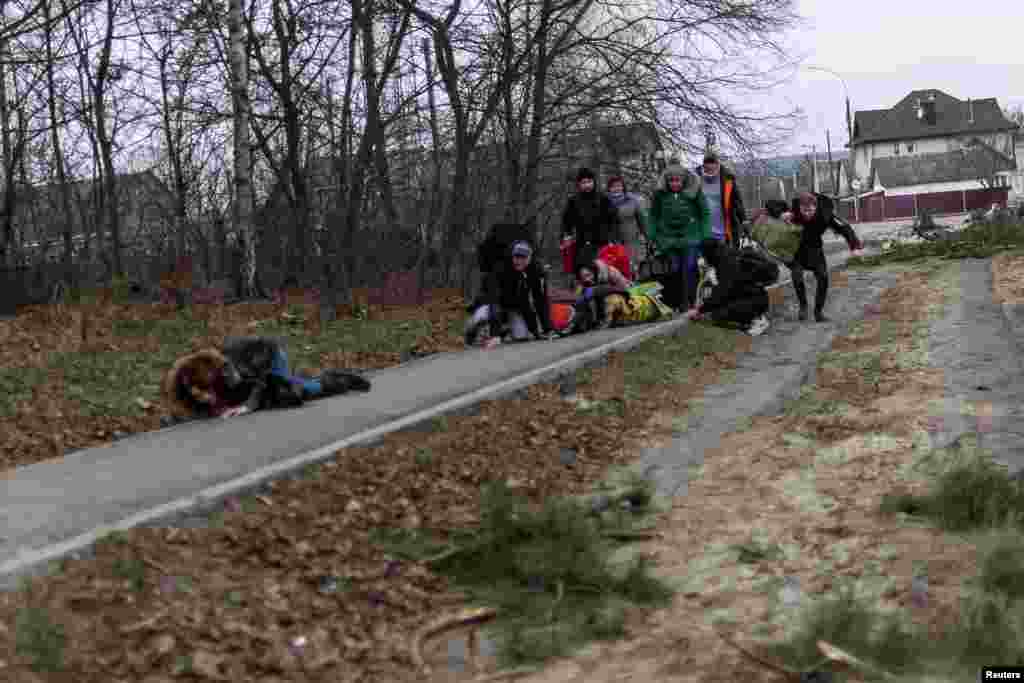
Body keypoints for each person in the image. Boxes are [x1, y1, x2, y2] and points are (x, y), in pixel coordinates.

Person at [781, 192, 863, 323]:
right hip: (796, 249)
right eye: (804, 211)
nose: (807, 214)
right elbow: (770, 209)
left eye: (810, 210)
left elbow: (844, 227)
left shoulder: (825, 214)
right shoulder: (793, 213)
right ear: (799, 208)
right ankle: (803, 306)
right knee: (797, 275)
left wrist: (855, 246)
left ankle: (818, 312)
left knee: (823, 277)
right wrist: (781, 215)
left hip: (815, 249)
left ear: (816, 207)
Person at [647, 162, 711, 311]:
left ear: (683, 180)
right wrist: (652, 235)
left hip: (691, 236)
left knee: (689, 267)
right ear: (667, 181)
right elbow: (653, 215)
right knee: (674, 269)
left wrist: (705, 235)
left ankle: (691, 300)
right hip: (668, 238)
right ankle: (676, 302)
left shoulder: (694, 191)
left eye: (677, 181)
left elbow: (705, 213)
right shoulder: (660, 194)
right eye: (671, 181)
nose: (674, 184)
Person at [464, 240, 554, 345]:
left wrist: (546, 329)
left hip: (514, 307)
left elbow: (540, 300)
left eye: (523, 258)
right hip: (491, 303)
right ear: (512, 256)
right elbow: (494, 299)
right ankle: (474, 328)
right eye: (516, 257)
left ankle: (504, 329)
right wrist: (495, 334)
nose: (519, 261)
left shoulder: (536, 270)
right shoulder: (500, 268)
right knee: (481, 317)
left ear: (530, 258)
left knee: (521, 336)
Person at [685, 238, 772, 336]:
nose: (703, 258)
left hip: (754, 301)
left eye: (703, 255)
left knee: (717, 315)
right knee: (718, 308)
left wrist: (700, 310)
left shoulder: (725, 263)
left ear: (708, 253)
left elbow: (723, 291)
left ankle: (755, 321)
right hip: (756, 298)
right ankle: (754, 317)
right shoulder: (728, 255)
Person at [561, 167, 622, 271]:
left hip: (603, 243)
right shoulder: (573, 201)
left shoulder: (603, 199)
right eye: (583, 182)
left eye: (589, 182)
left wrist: (612, 239)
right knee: (585, 272)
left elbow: (614, 220)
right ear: (579, 184)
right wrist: (566, 235)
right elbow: (566, 222)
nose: (587, 185)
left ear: (594, 182)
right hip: (582, 244)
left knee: (604, 271)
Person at [564, 248, 634, 333]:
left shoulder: (610, 272)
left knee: (612, 299)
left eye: (588, 275)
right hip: (600, 307)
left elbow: (625, 290)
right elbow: (577, 302)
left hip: (623, 300)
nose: (587, 279)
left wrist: (598, 290)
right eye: (583, 278)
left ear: (594, 271)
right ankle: (589, 323)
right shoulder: (582, 283)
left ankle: (613, 320)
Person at [697, 152, 747, 247]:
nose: (710, 166)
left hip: (724, 232)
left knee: (725, 254)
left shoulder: (728, 178)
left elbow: (737, 201)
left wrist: (744, 220)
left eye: (713, 163)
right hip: (702, 232)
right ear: (703, 165)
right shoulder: (695, 178)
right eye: (707, 163)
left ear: (717, 164)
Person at [606, 176, 648, 278]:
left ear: (623, 187)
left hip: (631, 237)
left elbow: (641, 218)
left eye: (619, 186)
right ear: (609, 188)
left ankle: (636, 283)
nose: (616, 188)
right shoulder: (605, 202)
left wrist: (644, 234)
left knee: (634, 265)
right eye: (613, 186)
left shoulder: (632, 200)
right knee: (619, 266)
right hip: (614, 240)